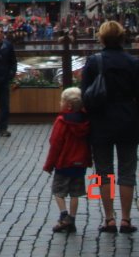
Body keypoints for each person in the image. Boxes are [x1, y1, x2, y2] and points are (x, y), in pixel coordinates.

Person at [81, 20, 139, 234]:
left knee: (103, 172)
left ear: (101, 38)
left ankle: (109, 218)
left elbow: (84, 95)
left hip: (100, 121)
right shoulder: (133, 62)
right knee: (127, 171)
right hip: (127, 120)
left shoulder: (93, 62)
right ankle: (126, 219)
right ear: (122, 37)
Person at [42, 87, 91, 234]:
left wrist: (49, 165)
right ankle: (72, 218)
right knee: (75, 193)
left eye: (62, 100)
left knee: (58, 191)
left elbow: (55, 143)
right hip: (79, 164)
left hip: (64, 163)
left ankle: (64, 215)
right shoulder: (86, 121)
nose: (60, 102)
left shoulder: (62, 121)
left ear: (68, 105)